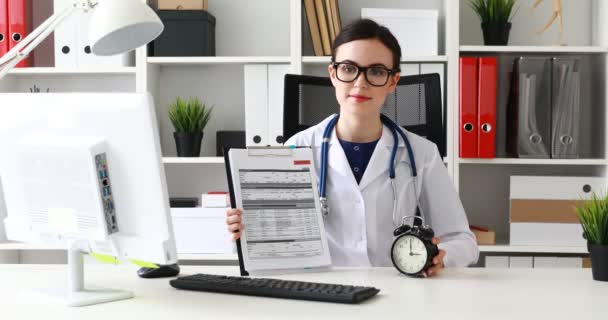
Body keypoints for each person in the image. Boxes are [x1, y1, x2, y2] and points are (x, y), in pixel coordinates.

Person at [226, 19, 479, 277]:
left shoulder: (421, 153)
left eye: (377, 71)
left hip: (396, 294)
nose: (360, 82)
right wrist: (248, 231)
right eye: (349, 68)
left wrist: (441, 256)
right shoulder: (296, 148)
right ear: (333, 74)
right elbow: (273, 246)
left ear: (393, 82)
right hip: (320, 292)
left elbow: (463, 240)